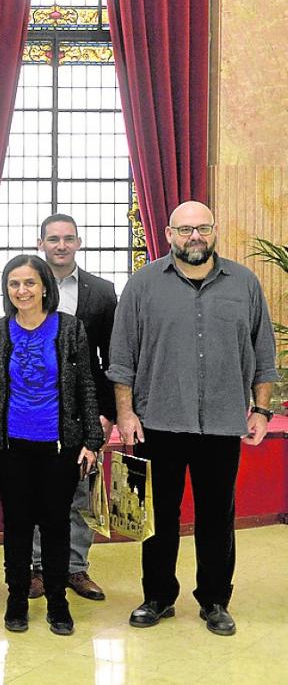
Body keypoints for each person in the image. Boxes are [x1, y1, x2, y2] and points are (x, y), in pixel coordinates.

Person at [107, 201, 279, 637]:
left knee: (217, 516)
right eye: (185, 230)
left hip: (222, 421)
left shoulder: (244, 283)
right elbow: (123, 357)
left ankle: (215, 600)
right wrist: (125, 414)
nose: (194, 237)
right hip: (157, 420)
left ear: (215, 230)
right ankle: (158, 597)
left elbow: (263, 352)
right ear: (168, 234)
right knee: (159, 518)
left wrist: (260, 408)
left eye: (202, 228)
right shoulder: (142, 285)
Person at [0, 255, 104, 636]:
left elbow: (86, 387)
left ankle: (58, 603)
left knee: (55, 525)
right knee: (16, 525)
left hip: (60, 445)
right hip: (10, 447)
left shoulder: (69, 329)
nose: (22, 291)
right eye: (14, 284)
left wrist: (92, 442)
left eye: (29, 283)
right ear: (6, 289)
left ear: (44, 285)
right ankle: (16, 599)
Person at [29, 213, 119, 601]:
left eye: (68, 239)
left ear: (78, 243)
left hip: (87, 407)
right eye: (53, 239)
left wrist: (108, 413)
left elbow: (113, 357)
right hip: (36, 406)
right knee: (37, 490)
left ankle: (75, 568)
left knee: (80, 490)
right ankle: (37, 567)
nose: (61, 245)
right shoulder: (26, 286)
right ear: (41, 244)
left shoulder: (101, 291)